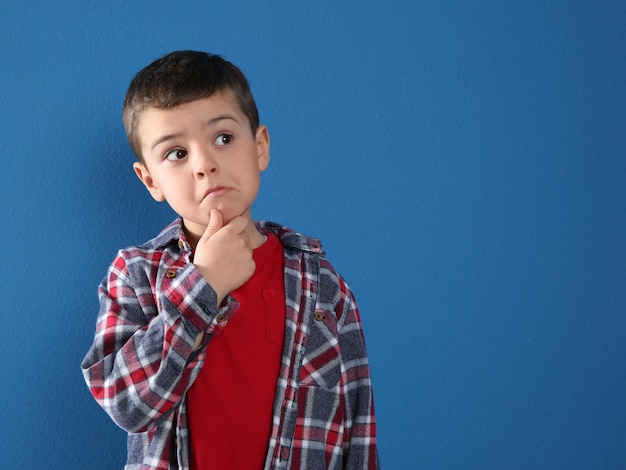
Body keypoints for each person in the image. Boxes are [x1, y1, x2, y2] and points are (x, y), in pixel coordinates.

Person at [81, 50, 379, 470]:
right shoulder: (134, 275)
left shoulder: (323, 285)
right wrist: (204, 283)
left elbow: (358, 424)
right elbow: (128, 405)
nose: (206, 164)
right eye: (176, 154)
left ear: (259, 147)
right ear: (150, 180)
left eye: (223, 138)